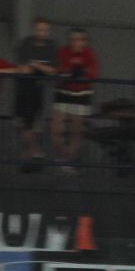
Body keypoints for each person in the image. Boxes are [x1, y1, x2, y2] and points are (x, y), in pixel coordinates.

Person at [50, 27, 100, 171]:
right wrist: (68, 72)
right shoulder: (63, 52)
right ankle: (61, 158)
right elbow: (58, 70)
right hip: (63, 92)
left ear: (85, 42)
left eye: (80, 40)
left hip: (81, 94)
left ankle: (68, 162)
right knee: (56, 129)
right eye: (74, 39)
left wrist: (82, 71)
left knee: (76, 131)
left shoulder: (89, 53)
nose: (77, 43)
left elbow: (94, 72)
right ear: (70, 41)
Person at [12, 17, 57, 170]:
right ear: (34, 30)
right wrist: (40, 67)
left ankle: (33, 156)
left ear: (48, 31)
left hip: (40, 90)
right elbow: (24, 68)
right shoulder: (26, 43)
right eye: (39, 29)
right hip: (24, 89)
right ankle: (31, 155)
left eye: (44, 30)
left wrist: (36, 64)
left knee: (36, 125)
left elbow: (52, 70)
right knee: (24, 124)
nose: (42, 32)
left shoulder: (51, 46)